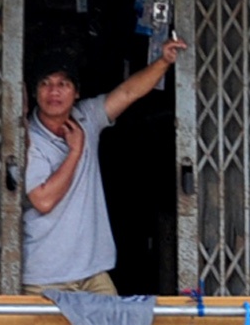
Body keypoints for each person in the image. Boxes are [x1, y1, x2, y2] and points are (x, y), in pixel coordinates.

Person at [23, 38, 188, 295]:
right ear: (35, 92)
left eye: (63, 84)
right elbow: (43, 200)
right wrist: (76, 151)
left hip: (91, 272)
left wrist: (163, 62)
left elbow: (127, 92)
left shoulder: (86, 117)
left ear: (76, 92)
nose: (54, 92)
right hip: (45, 274)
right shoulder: (27, 138)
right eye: (46, 84)